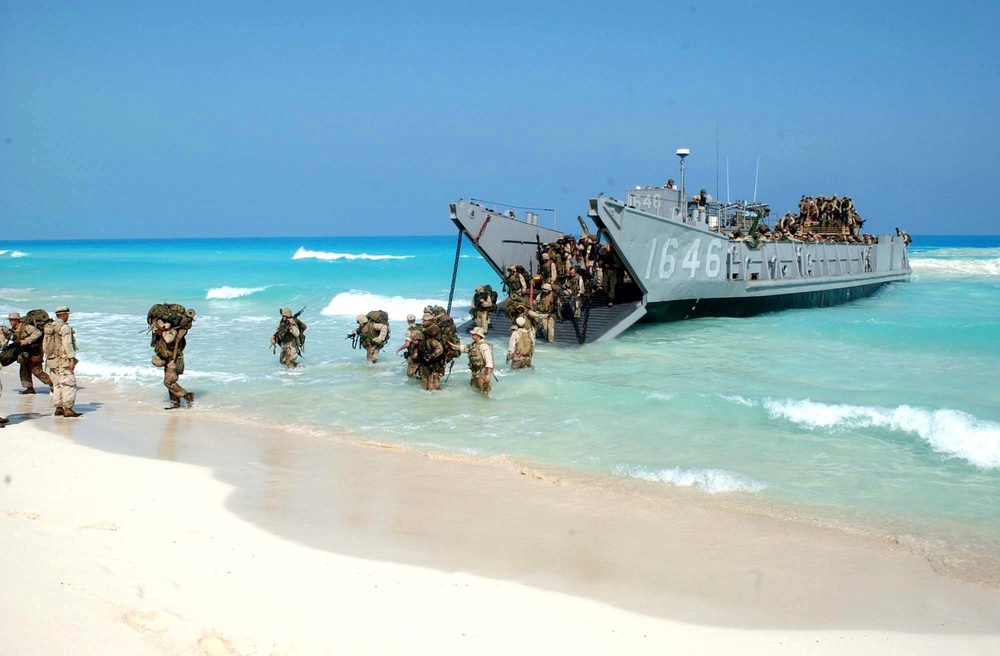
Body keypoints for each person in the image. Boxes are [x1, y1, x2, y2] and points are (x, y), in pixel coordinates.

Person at [43, 306, 82, 417]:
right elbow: (67, 345)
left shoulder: (50, 327)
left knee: (56, 384)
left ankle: (58, 408)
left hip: (52, 360)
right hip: (63, 360)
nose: (68, 316)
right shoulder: (65, 328)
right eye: (67, 314)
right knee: (69, 383)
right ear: (64, 315)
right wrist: (71, 359)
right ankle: (68, 409)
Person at [2, 312, 52, 394]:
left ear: (17, 320)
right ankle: (29, 388)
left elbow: (38, 333)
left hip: (35, 352)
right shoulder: (14, 329)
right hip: (24, 353)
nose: (11, 322)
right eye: (10, 320)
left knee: (37, 371)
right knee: (24, 370)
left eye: (12, 320)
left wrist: (27, 340)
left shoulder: (26, 327)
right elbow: (15, 339)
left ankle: (53, 384)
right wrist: (7, 335)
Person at [151, 316, 193, 410]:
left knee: (168, 382)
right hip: (167, 360)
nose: (155, 331)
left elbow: (168, 340)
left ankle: (187, 395)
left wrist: (163, 331)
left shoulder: (172, 332)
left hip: (174, 360)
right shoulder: (161, 334)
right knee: (170, 382)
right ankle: (175, 403)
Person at [452, 326, 494, 395]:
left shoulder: (484, 346)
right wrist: (452, 345)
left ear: (478, 335)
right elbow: (464, 348)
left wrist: (488, 375)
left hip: (483, 374)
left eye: (473, 334)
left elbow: (489, 361)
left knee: (484, 393)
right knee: (475, 392)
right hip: (475, 373)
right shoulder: (473, 345)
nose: (472, 335)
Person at [415, 325, 445, 391]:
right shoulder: (420, 344)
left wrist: (432, 355)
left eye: (415, 340)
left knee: (434, 386)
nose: (414, 342)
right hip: (425, 365)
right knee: (424, 385)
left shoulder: (431, 341)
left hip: (434, 365)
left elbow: (440, 349)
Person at [394, 314, 420, 378]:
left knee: (410, 374)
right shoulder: (420, 327)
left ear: (407, 321)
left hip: (414, 354)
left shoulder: (409, 330)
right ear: (415, 320)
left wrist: (399, 349)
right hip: (422, 352)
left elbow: (407, 344)